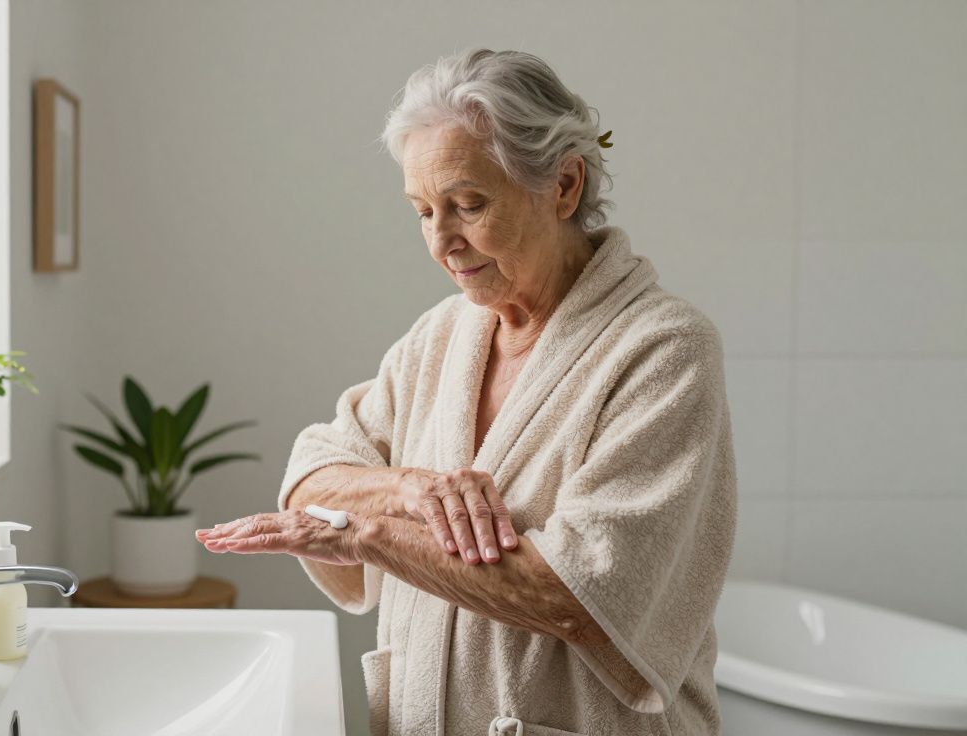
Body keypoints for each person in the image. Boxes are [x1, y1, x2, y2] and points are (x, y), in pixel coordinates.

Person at [198, 48, 736, 735]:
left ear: (565, 185)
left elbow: (581, 591)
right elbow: (312, 476)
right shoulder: (444, 335)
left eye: (467, 204)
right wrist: (407, 489)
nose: (441, 241)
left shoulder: (663, 350)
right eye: (423, 210)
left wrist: (370, 533)